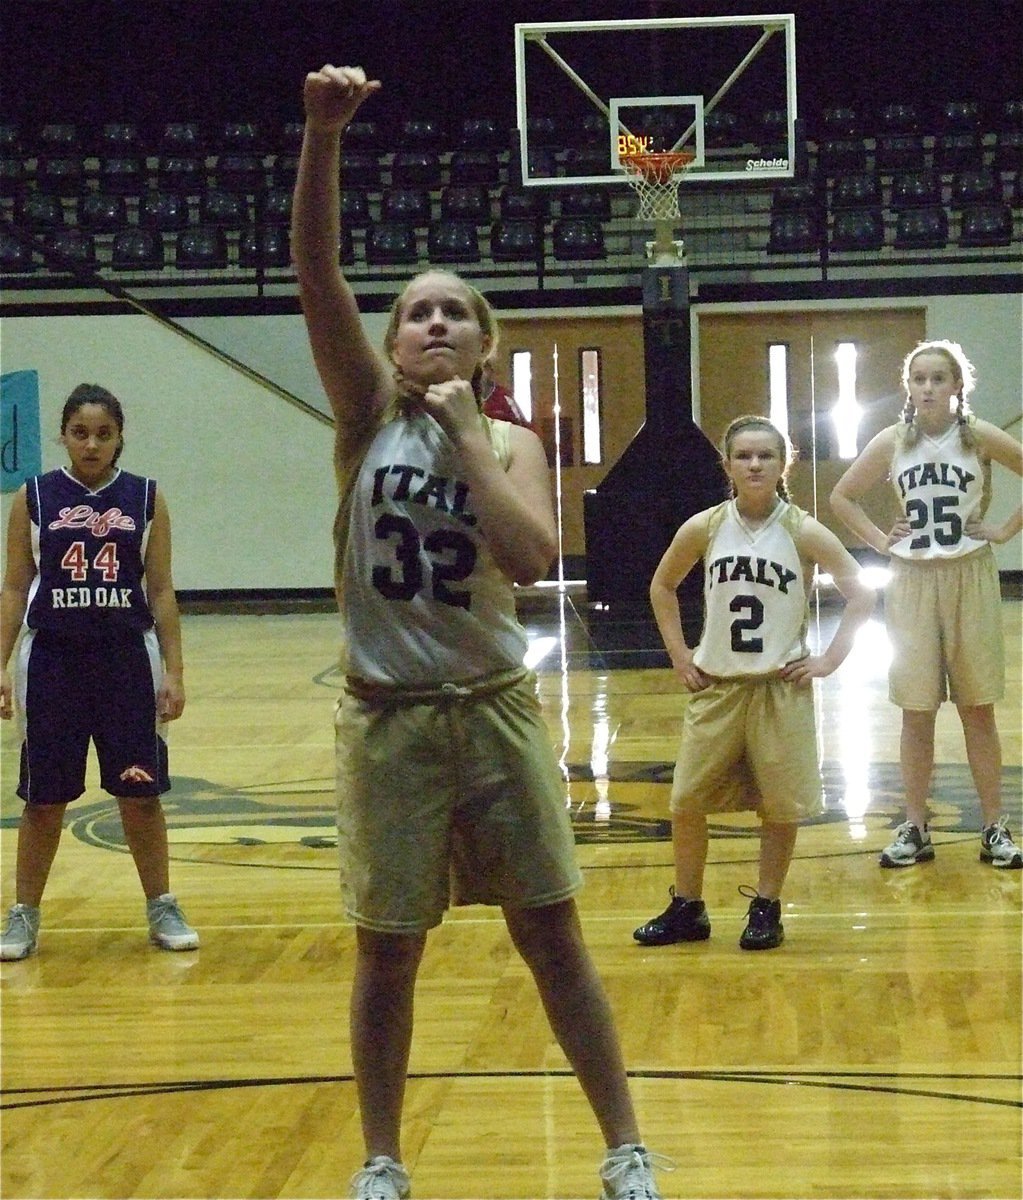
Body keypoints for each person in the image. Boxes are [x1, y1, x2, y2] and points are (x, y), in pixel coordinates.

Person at [292, 64, 670, 1200]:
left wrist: (466, 433)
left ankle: (624, 1147)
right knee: (387, 950)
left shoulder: (506, 443)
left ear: (482, 343)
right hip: (390, 724)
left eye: (456, 310)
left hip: (494, 713)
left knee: (552, 938)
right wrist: (323, 140)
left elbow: (535, 558)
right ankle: (382, 1159)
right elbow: (317, 271)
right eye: (417, 310)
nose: (435, 321)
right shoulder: (361, 420)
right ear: (395, 341)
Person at [634, 415, 875, 952]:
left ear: (782, 463)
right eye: (744, 455)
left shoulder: (802, 530)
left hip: (778, 687)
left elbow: (862, 594)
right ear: (727, 465)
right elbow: (662, 585)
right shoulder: (705, 526)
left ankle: (766, 905)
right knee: (687, 799)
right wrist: (679, 653)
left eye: (766, 455)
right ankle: (688, 906)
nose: (755, 464)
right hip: (717, 686)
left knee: (779, 805)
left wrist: (831, 659)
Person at [0, 384, 197, 960]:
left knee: (140, 795)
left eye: (103, 434)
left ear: (119, 438)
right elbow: (14, 586)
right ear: (62, 436)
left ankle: (162, 904)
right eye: (80, 433)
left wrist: (176, 672)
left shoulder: (145, 498)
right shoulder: (32, 497)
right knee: (43, 798)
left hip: (126, 661)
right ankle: (23, 914)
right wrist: (2, 665)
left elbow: (160, 590)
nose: (91, 444)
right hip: (54, 663)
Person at [830, 339, 1023, 869]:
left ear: (958, 385)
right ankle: (914, 827)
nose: (929, 387)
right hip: (911, 578)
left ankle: (994, 828)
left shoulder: (979, 436)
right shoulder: (893, 440)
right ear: (908, 388)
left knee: (977, 708)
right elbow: (840, 496)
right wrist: (878, 540)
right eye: (920, 379)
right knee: (916, 711)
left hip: (970, 575)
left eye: (940, 378)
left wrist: (1005, 529)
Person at [480, 360, 532, 428]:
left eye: (485, 369)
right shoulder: (470, 397)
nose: (481, 374)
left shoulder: (503, 395)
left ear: (491, 371)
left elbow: (521, 423)